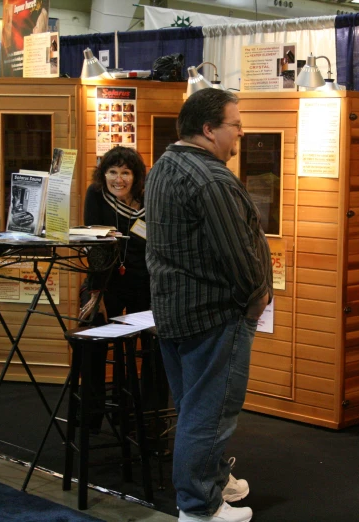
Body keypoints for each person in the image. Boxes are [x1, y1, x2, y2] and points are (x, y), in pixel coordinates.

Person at [145, 89, 272, 522]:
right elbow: (236, 255)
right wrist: (257, 298)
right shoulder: (211, 179)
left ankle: (214, 481)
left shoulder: (163, 166)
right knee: (210, 413)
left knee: (196, 407)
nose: (240, 132)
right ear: (207, 129)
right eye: (234, 125)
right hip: (214, 316)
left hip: (175, 313)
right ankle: (200, 509)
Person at [80, 146, 166, 431]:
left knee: (157, 350)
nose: (119, 179)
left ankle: (148, 422)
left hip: (146, 283)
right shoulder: (96, 195)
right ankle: (91, 416)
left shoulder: (151, 197)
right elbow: (95, 247)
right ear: (103, 174)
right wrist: (96, 293)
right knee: (92, 334)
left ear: (136, 175)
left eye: (125, 172)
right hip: (106, 282)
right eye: (113, 172)